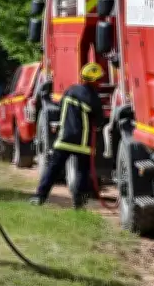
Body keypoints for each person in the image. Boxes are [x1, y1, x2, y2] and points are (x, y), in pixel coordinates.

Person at [29, 63, 105, 208]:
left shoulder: (70, 91)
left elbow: (60, 109)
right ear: (94, 80)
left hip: (63, 139)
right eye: (99, 79)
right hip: (82, 143)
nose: (100, 82)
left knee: (52, 169)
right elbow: (100, 121)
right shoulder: (93, 98)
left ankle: (40, 196)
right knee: (82, 171)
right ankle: (79, 203)